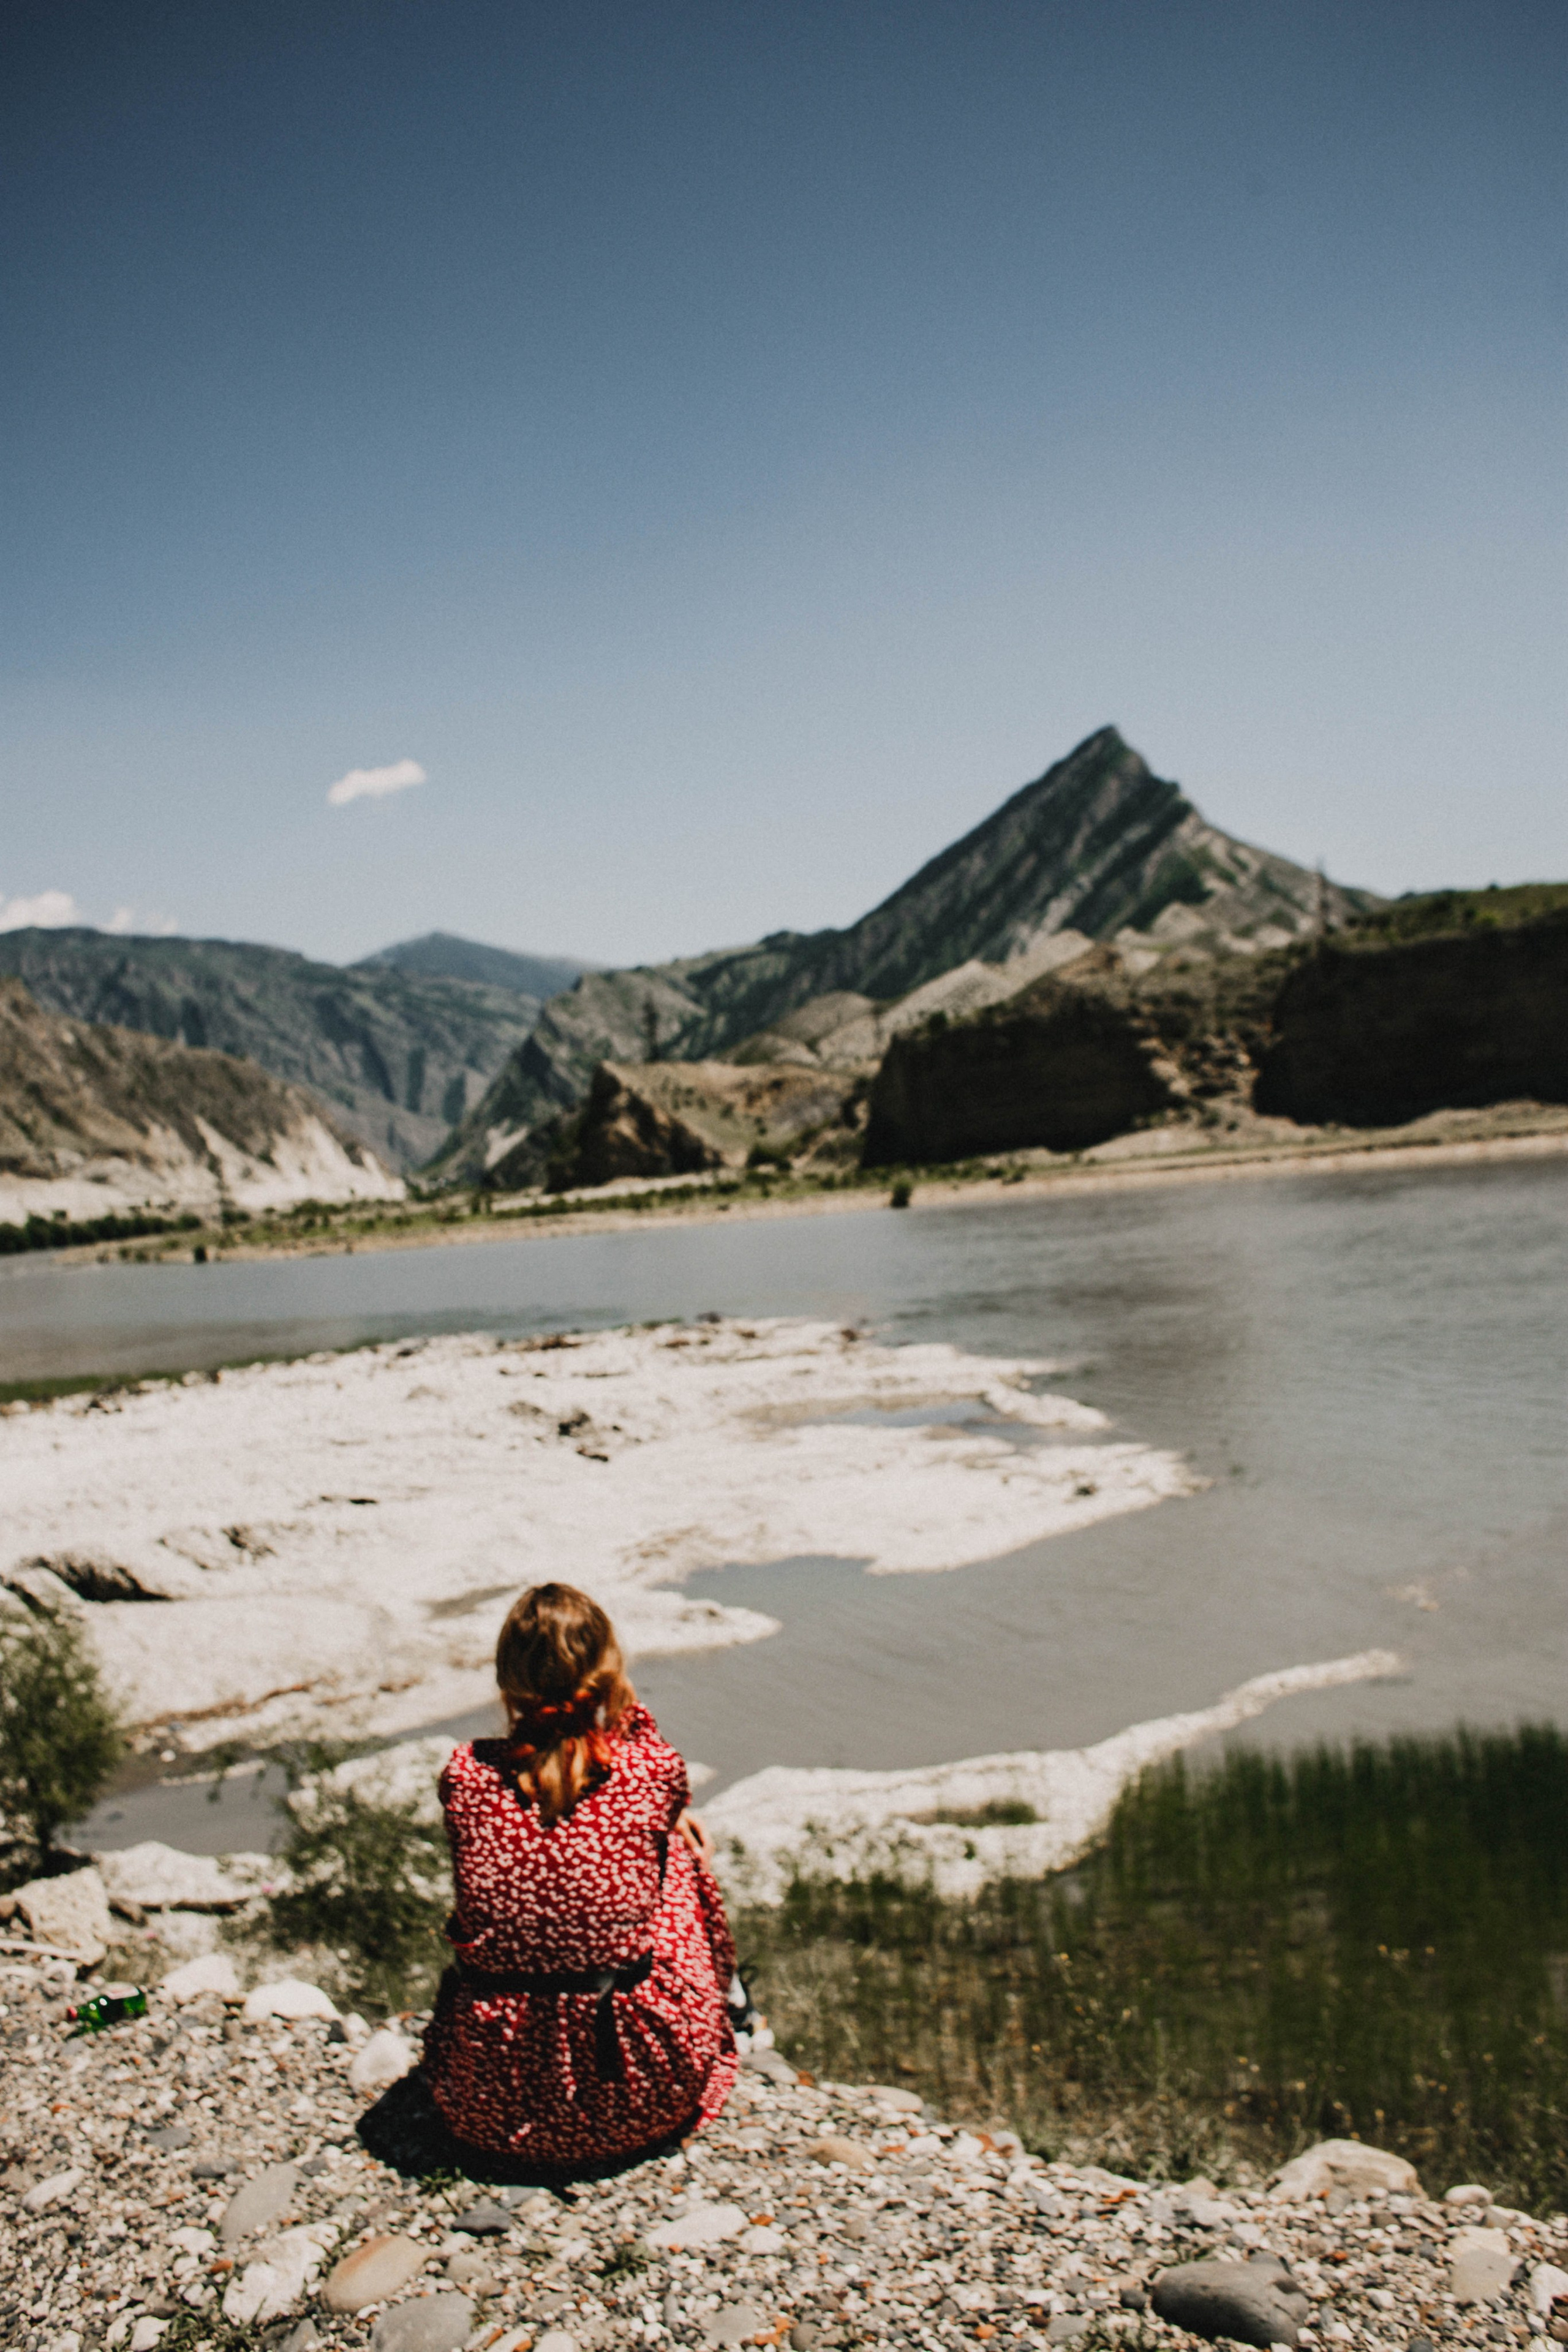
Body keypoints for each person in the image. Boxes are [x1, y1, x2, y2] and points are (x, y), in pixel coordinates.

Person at [364, 1581, 739, 2185]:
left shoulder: (467, 1773)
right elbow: (633, 1775)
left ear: (507, 1679)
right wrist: (622, 1710)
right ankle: (728, 2012)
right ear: (609, 1672)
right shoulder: (652, 1766)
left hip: (487, 2105)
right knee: (678, 1854)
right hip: (643, 2094)